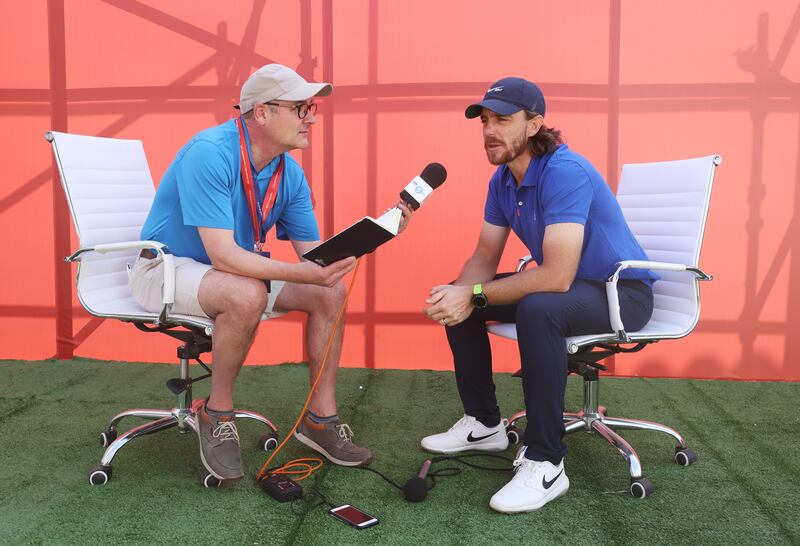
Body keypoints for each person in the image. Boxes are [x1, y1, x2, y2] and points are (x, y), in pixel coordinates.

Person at [129, 64, 413, 481]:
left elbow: (313, 257)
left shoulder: (289, 173)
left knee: (329, 292)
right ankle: (216, 412)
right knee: (247, 293)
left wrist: (374, 236)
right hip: (164, 269)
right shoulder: (209, 152)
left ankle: (320, 419)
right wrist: (305, 274)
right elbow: (224, 256)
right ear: (261, 112)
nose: (312, 117)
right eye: (301, 108)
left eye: (311, 107)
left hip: (229, 272)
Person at [420, 77, 658, 513]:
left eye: (503, 120)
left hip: (624, 293)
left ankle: (546, 462)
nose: (490, 130)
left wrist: (473, 293)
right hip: (571, 289)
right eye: (485, 120)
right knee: (467, 302)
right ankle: (485, 424)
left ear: (534, 125)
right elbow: (484, 257)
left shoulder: (565, 172)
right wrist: (458, 294)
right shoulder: (502, 180)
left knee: (537, 307)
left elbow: (556, 276)